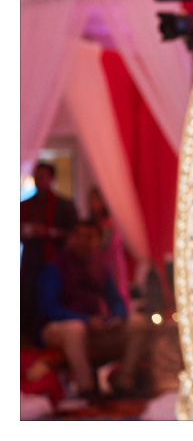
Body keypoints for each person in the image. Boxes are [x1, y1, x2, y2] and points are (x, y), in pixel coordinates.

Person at [37, 220, 151, 401]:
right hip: (59, 329)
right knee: (75, 328)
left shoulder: (100, 268)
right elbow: (48, 307)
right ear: (71, 238)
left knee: (138, 323)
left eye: (89, 237)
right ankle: (86, 389)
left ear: (96, 241)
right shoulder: (56, 267)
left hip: (94, 327)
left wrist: (116, 318)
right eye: (79, 236)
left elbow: (115, 301)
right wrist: (85, 320)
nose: (83, 241)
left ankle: (124, 382)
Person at [21, 161, 78, 345]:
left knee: (52, 300)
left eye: (42, 177)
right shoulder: (25, 205)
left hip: (55, 262)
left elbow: (74, 234)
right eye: (36, 177)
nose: (39, 181)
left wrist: (48, 232)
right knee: (28, 301)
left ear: (51, 179)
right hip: (30, 262)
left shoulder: (63, 205)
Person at [87, 186, 132, 314]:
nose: (93, 204)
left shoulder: (109, 224)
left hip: (111, 264)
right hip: (101, 264)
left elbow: (104, 245)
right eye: (91, 200)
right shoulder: (97, 224)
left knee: (116, 290)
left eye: (96, 200)